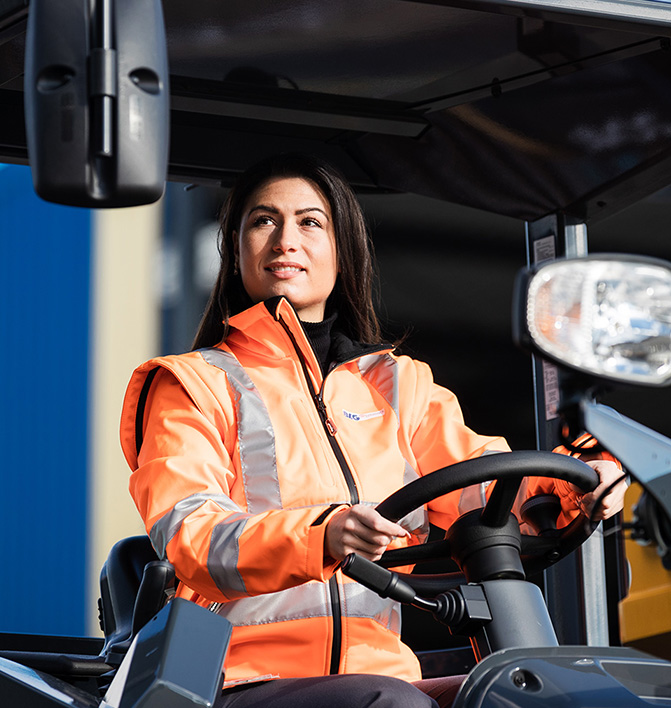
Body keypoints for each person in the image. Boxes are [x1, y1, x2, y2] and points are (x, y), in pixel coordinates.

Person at [119, 153, 627, 708]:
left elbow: (485, 492)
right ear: (236, 247)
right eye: (263, 221)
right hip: (239, 677)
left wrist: (574, 484)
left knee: (556, 697)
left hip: (380, 674)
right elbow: (192, 537)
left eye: (311, 222)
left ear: (343, 252)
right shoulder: (191, 383)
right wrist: (321, 535)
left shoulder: (395, 383)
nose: (285, 239)